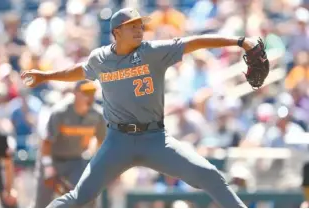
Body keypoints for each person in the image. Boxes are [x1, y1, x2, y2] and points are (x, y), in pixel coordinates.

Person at [21, 8, 259, 208]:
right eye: (132, 25)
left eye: (140, 25)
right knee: (80, 196)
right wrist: (45, 76)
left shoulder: (153, 52)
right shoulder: (101, 59)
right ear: (116, 32)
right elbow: (79, 71)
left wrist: (240, 42)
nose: (139, 29)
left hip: (155, 140)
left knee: (209, 176)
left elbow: (194, 42)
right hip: (117, 141)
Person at [34, 81, 106, 207]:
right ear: (75, 93)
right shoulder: (60, 112)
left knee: (88, 194)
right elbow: (46, 142)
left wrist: (95, 162)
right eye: (85, 92)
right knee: (43, 202)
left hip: (76, 160)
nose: (90, 96)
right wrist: (48, 167)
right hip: (52, 160)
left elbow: (102, 142)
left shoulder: (97, 115)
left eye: (92, 92)